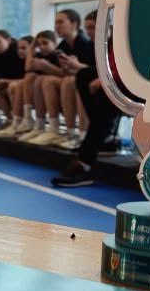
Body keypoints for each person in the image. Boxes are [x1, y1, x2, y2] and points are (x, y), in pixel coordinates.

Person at [53, 11, 124, 187]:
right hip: (116, 84)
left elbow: (123, 68)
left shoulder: (120, 41)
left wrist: (102, 80)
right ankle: (103, 136)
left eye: (93, 28)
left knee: (101, 108)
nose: (89, 32)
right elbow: (102, 68)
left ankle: (85, 162)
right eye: (88, 28)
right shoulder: (103, 44)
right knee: (83, 76)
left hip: (131, 87)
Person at [36, 8, 91, 149]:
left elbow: (90, 72)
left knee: (69, 81)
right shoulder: (63, 46)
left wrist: (74, 66)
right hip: (73, 80)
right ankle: (56, 130)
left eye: (60, 22)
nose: (56, 26)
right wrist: (50, 67)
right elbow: (63, 72)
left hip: (89, 83)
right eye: (55, 23)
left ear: (74, 24)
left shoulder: (85, 43)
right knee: (44, 80)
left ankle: (82, 135)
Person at [0, 31, 57, 138]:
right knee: (23, 81)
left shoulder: (57, 54)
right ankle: (19, 120)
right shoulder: (39, 55)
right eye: (39, 44)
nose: (42, 47)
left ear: (55, 43)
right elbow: (28, 68)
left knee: (27, 79)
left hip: (49, 90)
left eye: (45, 43)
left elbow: (63, 73)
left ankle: (34, 122)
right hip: (37, 91)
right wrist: (32, 49)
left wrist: (47, 67)